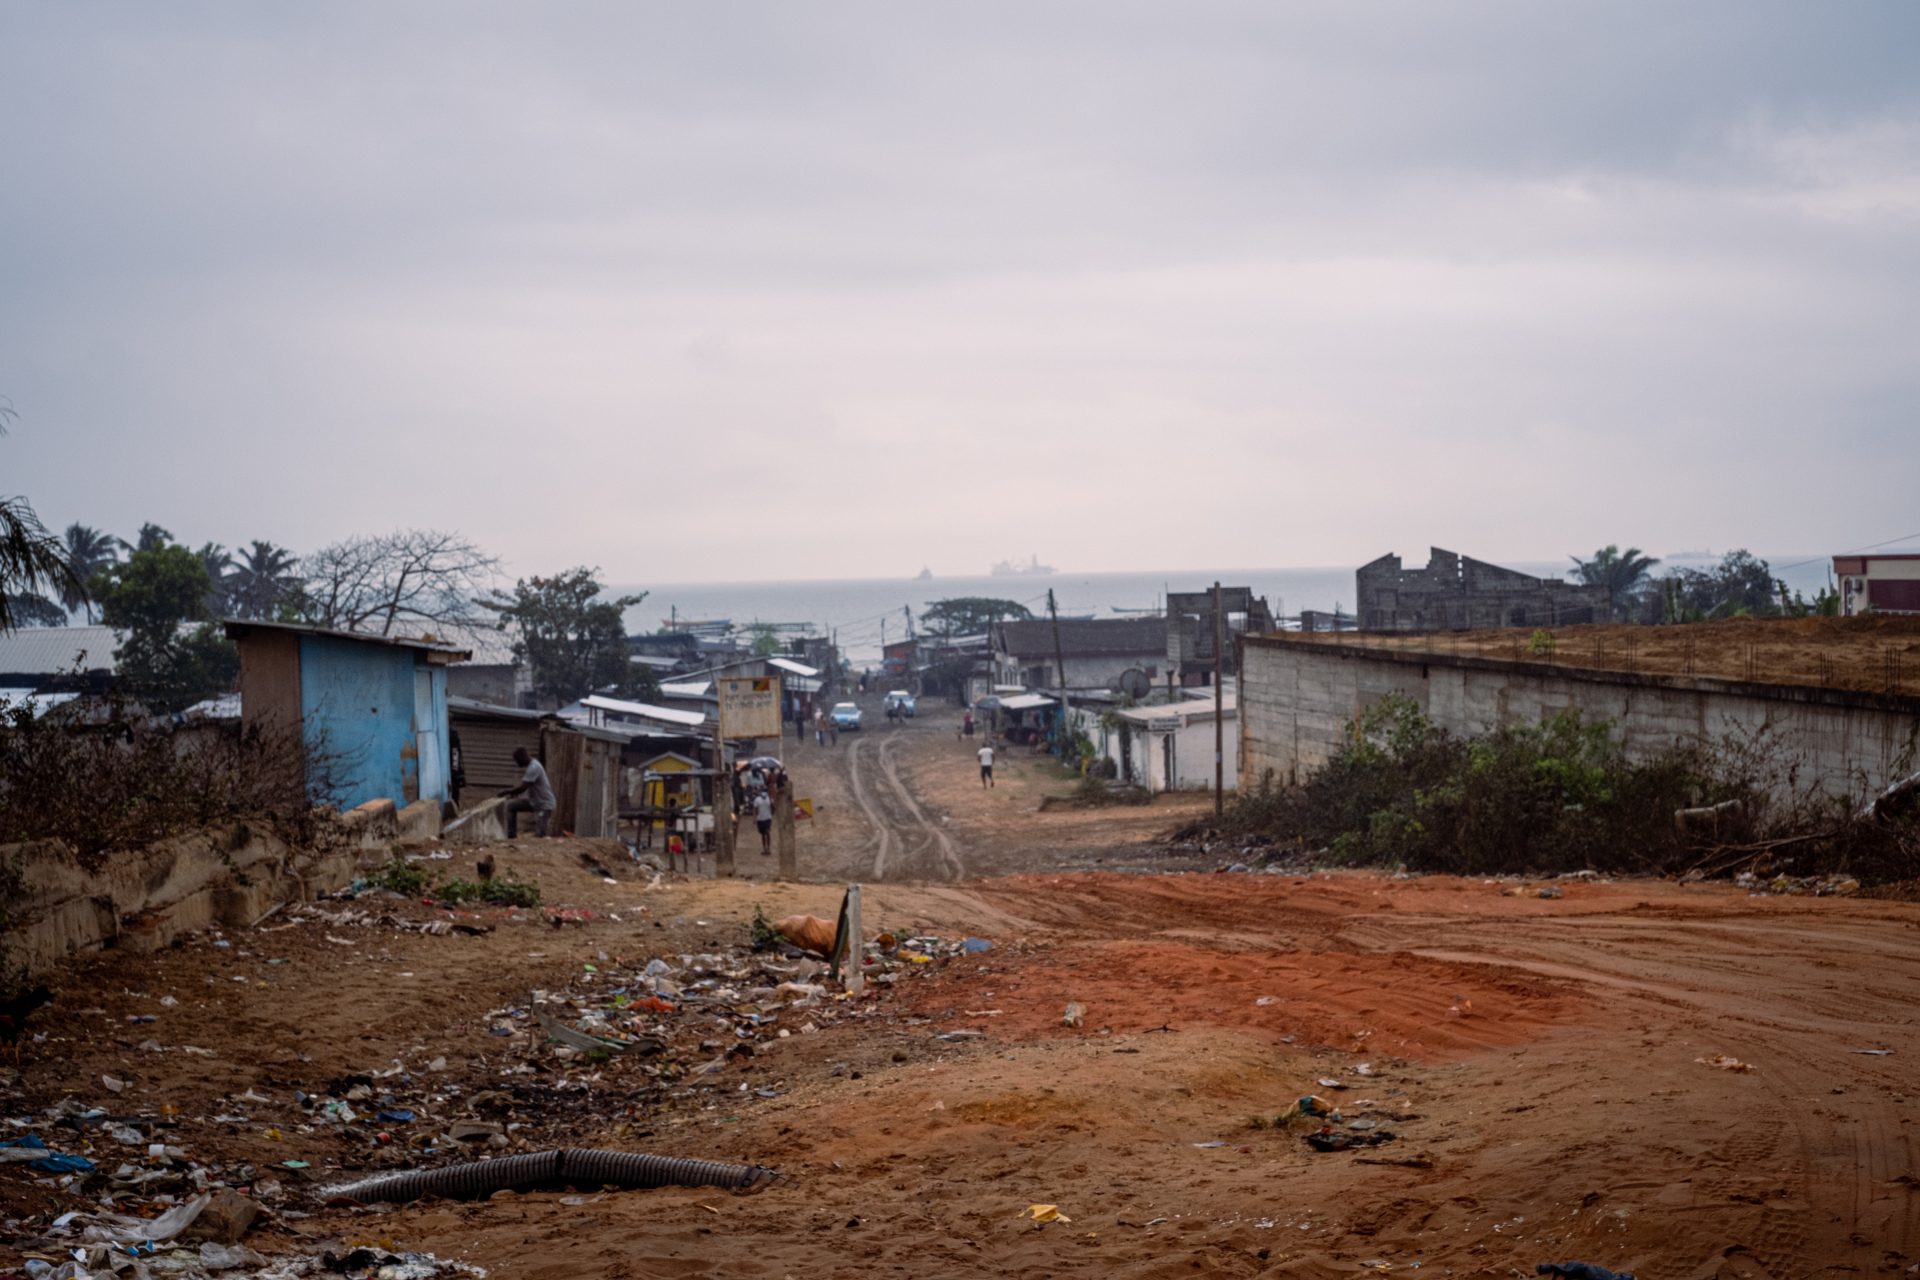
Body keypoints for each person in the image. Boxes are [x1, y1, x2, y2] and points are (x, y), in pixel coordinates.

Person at [500, 747, 556, 837]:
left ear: (522, 757)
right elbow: (525, 787)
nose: (517, 764)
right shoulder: (532, 766)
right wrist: (514, 794)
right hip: (534, 802)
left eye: (517, 761)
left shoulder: (534, 767)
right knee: (510, 806)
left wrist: (506, 791)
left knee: (540, 834)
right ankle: (511, 836)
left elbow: (523, 787)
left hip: (544, 805)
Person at [752, 788, 774, 855]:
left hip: (767, 818)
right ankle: (765, 848)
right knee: (763, 834)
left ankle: (768, 848)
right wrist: (754, 818)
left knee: (767, 832)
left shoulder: (769, 799)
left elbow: (773, 808)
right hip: (760, 819)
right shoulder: (757, 800)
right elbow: (755, 809)